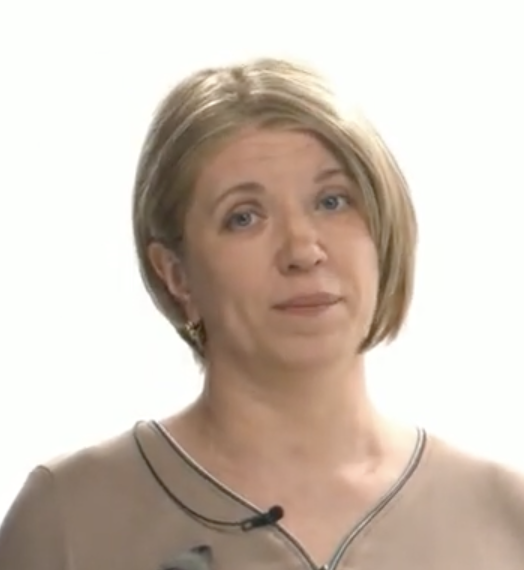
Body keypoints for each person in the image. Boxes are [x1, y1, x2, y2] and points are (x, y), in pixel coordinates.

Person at [1, 57, 524, 570]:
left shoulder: (504, 514)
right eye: (244, 217)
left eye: (333, 201)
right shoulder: (69, 520)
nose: (303, 250)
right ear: (176, 274)